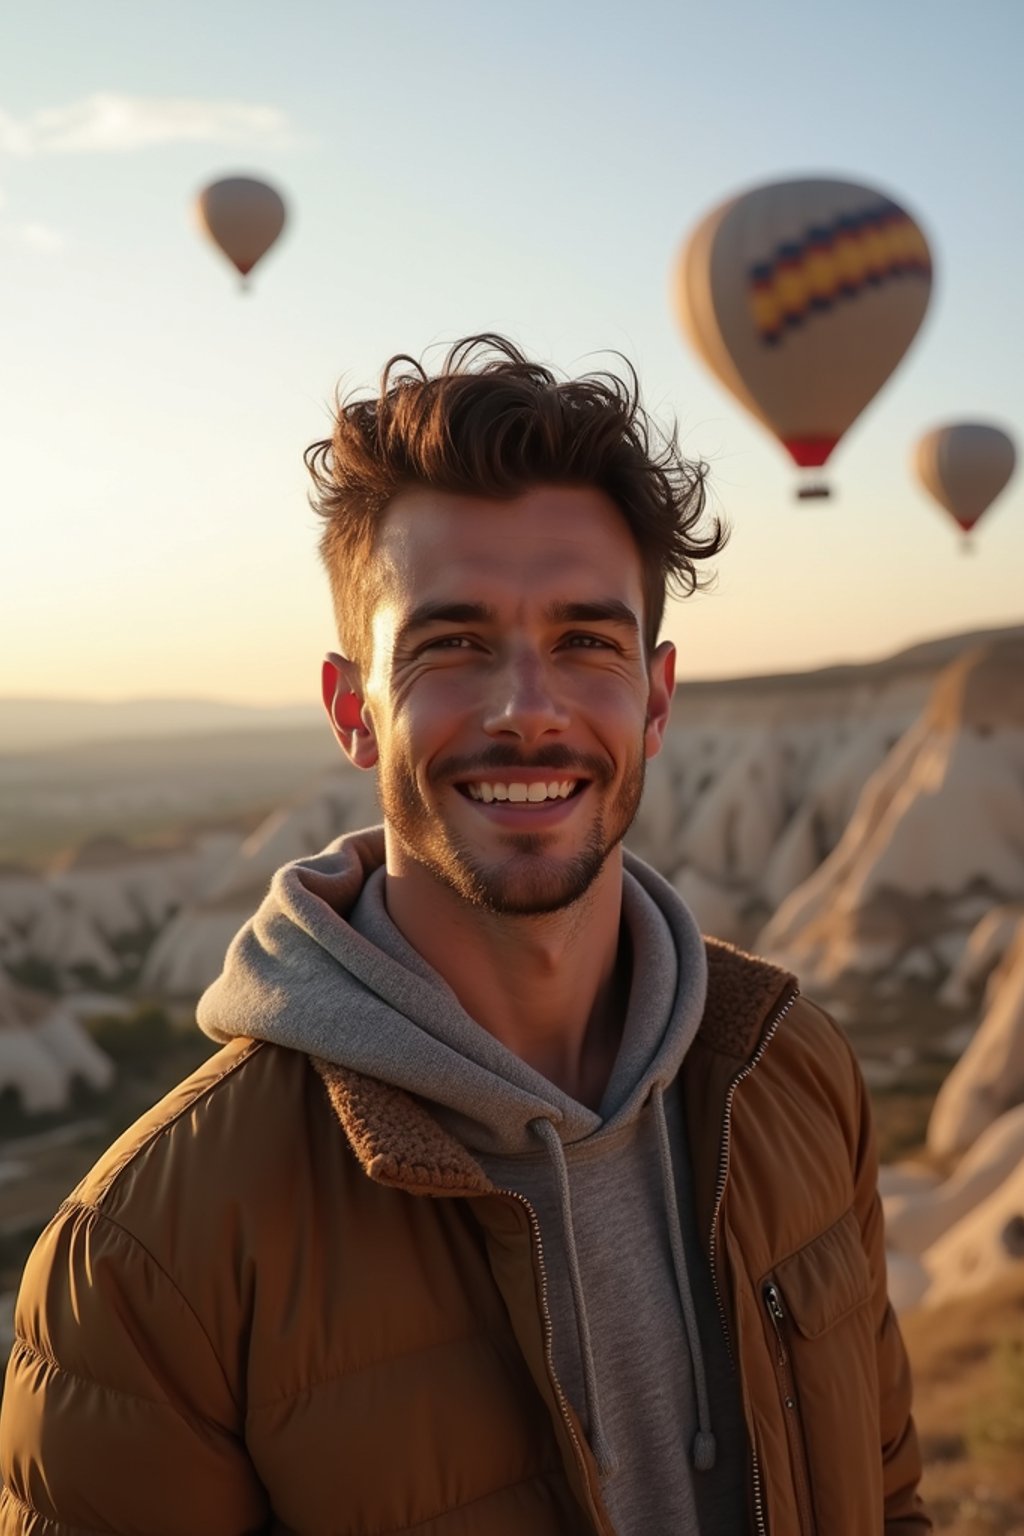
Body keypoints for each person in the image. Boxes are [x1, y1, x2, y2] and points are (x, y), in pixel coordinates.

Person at [0, 335, 929, 1535]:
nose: (526, 711)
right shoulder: (153, 1252)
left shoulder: (793, 1073)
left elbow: (887, 1492)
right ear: (353, 712)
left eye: (587, 643)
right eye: (452, 646)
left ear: (655, 699)